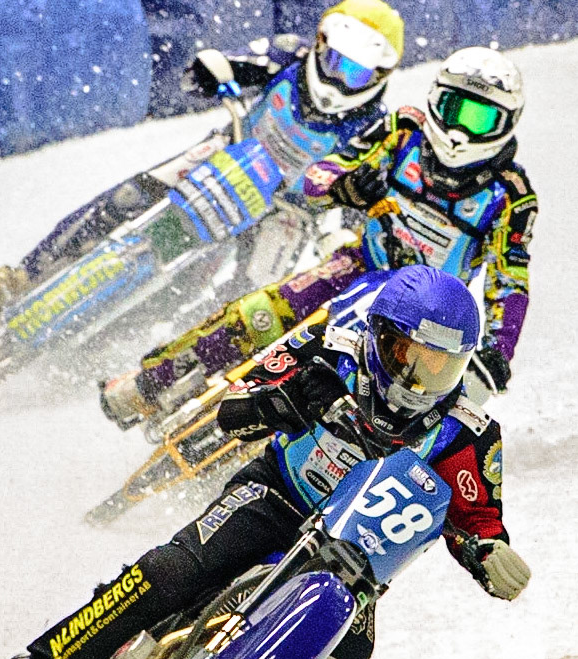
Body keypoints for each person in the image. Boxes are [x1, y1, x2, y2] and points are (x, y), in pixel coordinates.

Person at [0, 266, 530, 659]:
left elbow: (477, 518)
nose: (418, 380)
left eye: (440, 366)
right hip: (276, 497)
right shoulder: (329, 349)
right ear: (378, 335)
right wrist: (281, 403)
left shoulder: (469, 433)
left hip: (353, 561)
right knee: (173, 570)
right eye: (407, 355)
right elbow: (234, 408)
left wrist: (490, 553)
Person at [98, 45, 537, 430]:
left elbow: (509, 282)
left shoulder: (511, 197)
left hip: (425, 313)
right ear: (435, 100)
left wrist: (498, 352)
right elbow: (320, 173)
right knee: (257, 313)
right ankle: (149, 384)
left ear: (507, 124)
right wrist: (344, 187)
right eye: (454, 109)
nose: (460, 131)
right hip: (358, 266)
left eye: (481, 118)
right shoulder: (402, 131)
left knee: (402, 394)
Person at [0, 0, 406, 312]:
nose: (338, 79)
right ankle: (26, 275)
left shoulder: (374, 128)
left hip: (289, 209)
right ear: (320, 44)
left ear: (379, 76)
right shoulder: (288, 53)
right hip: (231, 150)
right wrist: (209, 70)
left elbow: (361, 192)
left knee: (252, 297)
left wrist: (345, 231)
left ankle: (165, 352)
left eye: (355, 72)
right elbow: (231, 62)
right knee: (130, 195)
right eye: (335, 61)